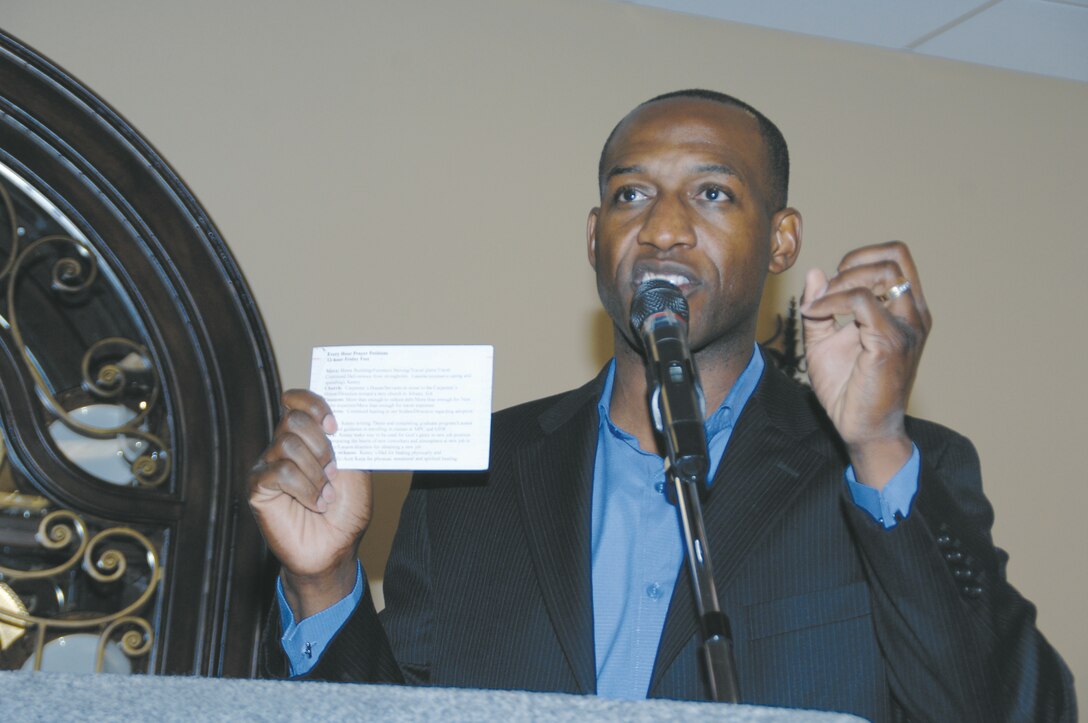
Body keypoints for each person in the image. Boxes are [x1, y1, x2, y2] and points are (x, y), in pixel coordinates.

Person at [247, 90, 1076, 721]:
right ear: (594, 236)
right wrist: (323, 582)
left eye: (713, 194)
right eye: (631, 195)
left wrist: (878, 449)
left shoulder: (878, 469)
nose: (665, 229)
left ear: (782, 239)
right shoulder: (477, 480)